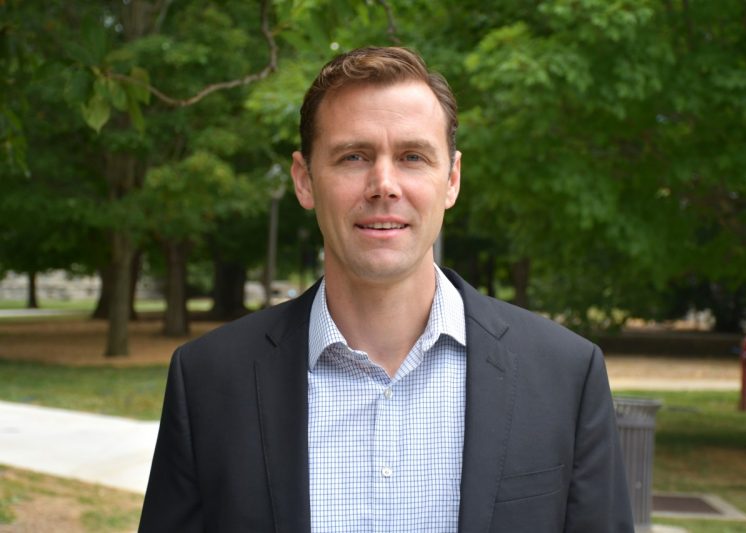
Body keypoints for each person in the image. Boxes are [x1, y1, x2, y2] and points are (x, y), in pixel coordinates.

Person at [139, 46, 633, 533]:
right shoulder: (208, 381)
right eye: (354, 156)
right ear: (305, 180)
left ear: (452, 179)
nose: (384, 184)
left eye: (413, 156)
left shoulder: (565, 376)